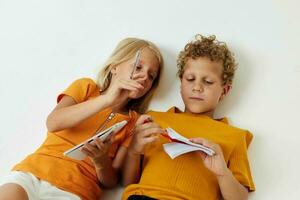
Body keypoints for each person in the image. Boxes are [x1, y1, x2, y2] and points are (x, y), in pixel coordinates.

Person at [0, 37, 163, 200]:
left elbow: (111, 182)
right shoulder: (86, 87)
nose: (144, 77)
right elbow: (53, 122)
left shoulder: (133, 122)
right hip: (32, 173)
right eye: (138, 67)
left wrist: (100, 160)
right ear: (114, 67)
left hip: (76, 190)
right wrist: (107, 100)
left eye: (151, 76)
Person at [122, 35, 255, 200]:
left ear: (224, 91)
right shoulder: (152, 120)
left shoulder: (234, 137)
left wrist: (222, 173)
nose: (197, 87)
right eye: (190, 79)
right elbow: (128, 182)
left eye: (208, 82)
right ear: (181, 84)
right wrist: (134, 149)